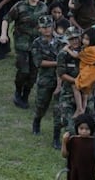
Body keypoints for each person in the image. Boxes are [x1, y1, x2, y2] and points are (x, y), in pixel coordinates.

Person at [0, 0, 48, 109]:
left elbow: (47, 24)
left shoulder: (43, 7)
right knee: (23, 70)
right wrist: (4, 34)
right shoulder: (20, 6)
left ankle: (25, 95)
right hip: (22, 43)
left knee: (33, 72)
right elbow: (6, 19)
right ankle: (18, 91)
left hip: (37, 45)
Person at [31, 15, 64, 149]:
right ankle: (36, 121)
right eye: (44, 27)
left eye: (49, 27)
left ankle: (56, 137)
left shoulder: (60, 41)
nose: (47, 30)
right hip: (45, 79)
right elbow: (39, 62)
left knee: (58, 110)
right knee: (41, 105)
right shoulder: (37, 43)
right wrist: (57, 62)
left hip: (60, 80)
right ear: (39, 29)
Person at [62, 28, 95, 119]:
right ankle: (83, 108)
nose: (84, 41)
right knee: (85, 92)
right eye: (84, 38)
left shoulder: (88, 50)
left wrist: (67, 49)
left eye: (87, 39)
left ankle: (79, 108)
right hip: (93, 72)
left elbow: (76, 56)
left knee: (75, 85)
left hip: (89, 72)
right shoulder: (94, 48)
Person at [57, 26, 81, 134]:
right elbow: (61, 74)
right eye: (71, 39)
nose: (75, 41)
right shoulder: (63, 54)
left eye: (76, 38)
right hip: (68, 92)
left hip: (85, 92)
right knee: (68, 124)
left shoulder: (86, 51)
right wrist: (76, 81)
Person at [61, 113, 95, 180]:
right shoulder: (73, 140)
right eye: (81, 128)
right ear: (77, 128)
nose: (84, 131)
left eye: (87, 129)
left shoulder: (94, 141)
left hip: (89, 173)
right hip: (74, 173)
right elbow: (64, 155)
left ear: (91, 129)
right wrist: (64, 142)